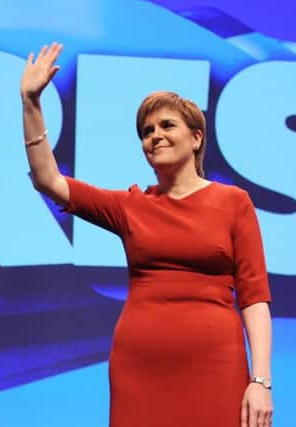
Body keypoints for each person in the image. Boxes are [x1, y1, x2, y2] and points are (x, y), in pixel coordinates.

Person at [20, 42, 273, 427]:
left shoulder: (233, 202)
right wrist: (31, 102)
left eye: (167, 126)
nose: (154, 136)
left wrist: (260, 381)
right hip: (140, 362)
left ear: (197, 138)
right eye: (146, 131)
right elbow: (49, 180)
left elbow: (254, 298)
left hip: (215, 361)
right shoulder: (130, 206)